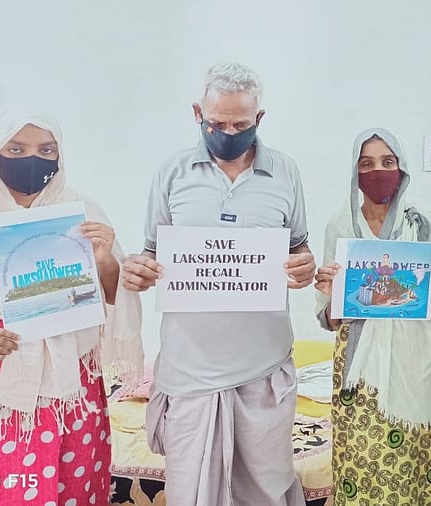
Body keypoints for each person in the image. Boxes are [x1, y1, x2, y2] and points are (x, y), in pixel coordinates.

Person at [0, 104, 144, 505]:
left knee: (69, 489)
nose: (33, 160)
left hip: (69, 399)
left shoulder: (82, 214)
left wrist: (106, 258)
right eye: (16, 149)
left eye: (46, 150)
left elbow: (109, 295)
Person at [120, 62, 314, 506]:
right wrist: (138, 270)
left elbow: (300, 249)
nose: (228, 132)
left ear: (259, 120)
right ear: (197, 114)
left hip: (264, 367)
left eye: (240, 124)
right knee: (193, 495)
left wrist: (303, 269)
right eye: (217, 123)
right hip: (191, 369)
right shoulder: (172, 173)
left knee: (265, 490)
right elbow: (151, 253)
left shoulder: (285, 172)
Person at [313, 128, 431, 505]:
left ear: (402, 169)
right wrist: (331, 291)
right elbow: (330, 317)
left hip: (412, 358)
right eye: (367, 164)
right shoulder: (340, 225)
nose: (378, 171)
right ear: (355, 171)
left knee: (411, 455)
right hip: (358, 358)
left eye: (387, 162)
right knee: (360, 456)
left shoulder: (421, 224)